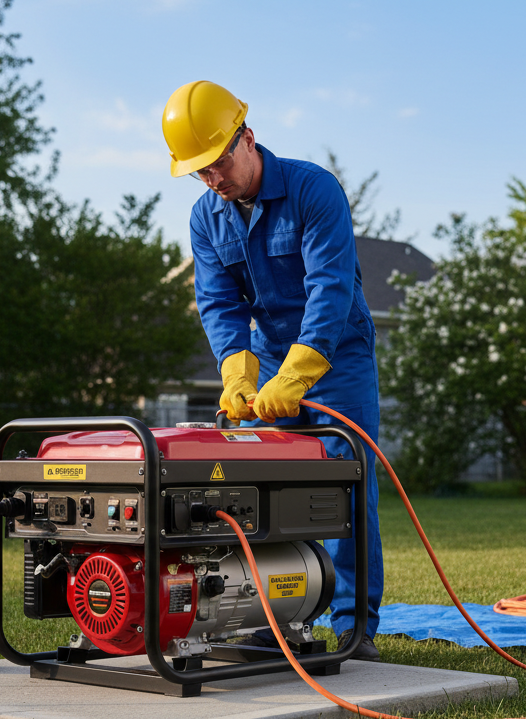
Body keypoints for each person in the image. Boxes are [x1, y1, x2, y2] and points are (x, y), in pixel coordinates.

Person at [161, 80, 383, 661]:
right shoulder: (205, 218)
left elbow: (330, 287)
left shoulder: (314, 189)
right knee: (264, 494)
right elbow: (219, 304)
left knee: (348, 487)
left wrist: (299, 373)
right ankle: (276, 615)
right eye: (200, 171)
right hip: (268, 361)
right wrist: (239, 377)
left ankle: (355, 627)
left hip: (338, 355)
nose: (213, 178)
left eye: (218, 162)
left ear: (248, 138)